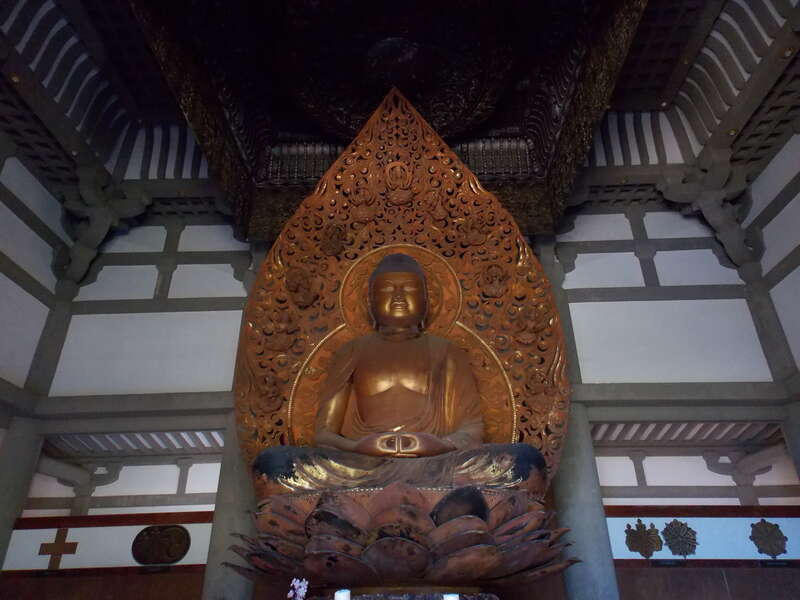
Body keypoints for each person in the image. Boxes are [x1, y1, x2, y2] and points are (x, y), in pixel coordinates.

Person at [254, 253, 545, 495]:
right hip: (361, 464)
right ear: (370, 301)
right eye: (386, 290)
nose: (397, 297)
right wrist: (360, 446)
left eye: (408, 289)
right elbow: (324, 435)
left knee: (523, 462)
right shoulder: (353, 350)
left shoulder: (446, 351)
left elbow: (472, 429)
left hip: (437, 463)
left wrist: (438, 444)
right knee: (274, 465)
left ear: (426, 300)